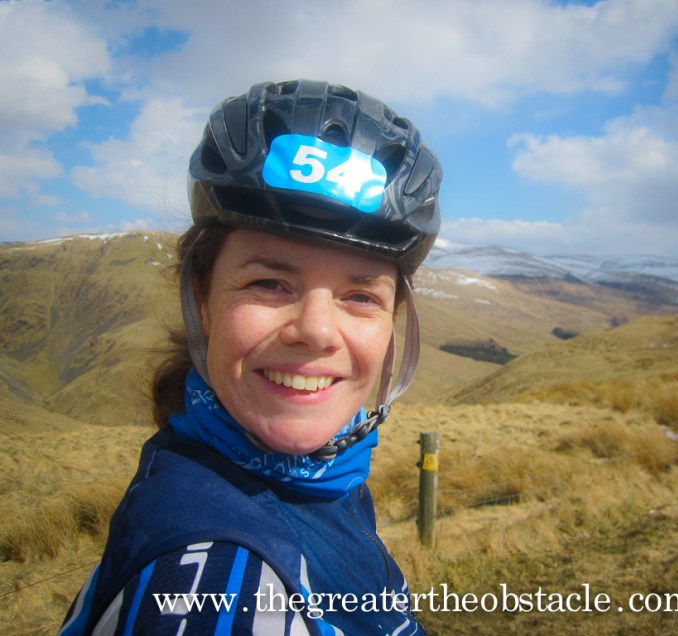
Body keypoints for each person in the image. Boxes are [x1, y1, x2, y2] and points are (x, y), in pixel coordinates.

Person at [60, 79, 441, 635]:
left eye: (361, 296)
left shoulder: (325, 482)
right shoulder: (212, 587)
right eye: (269, 283)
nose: (316, 332)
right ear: (201, 299)